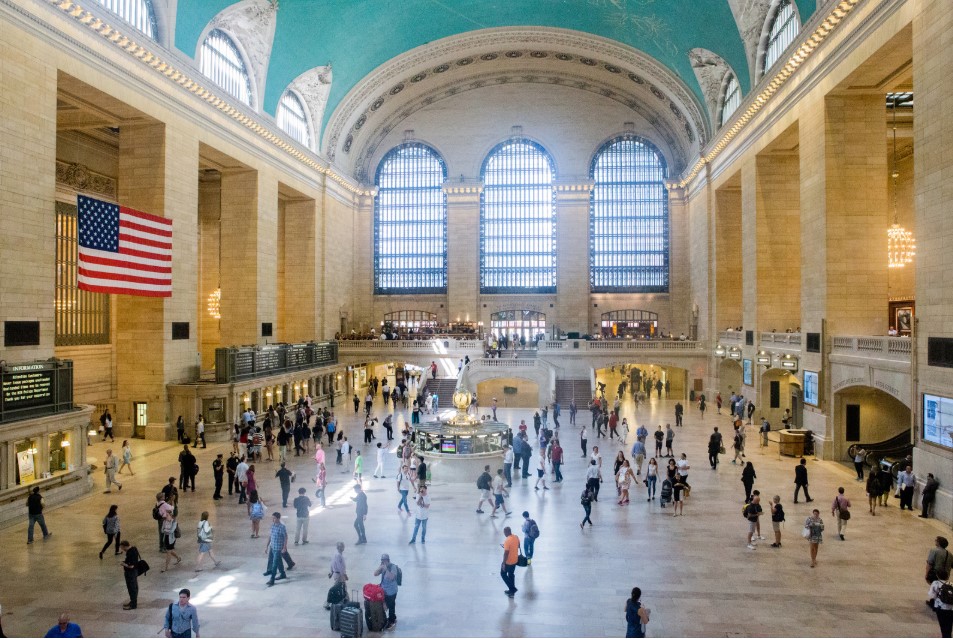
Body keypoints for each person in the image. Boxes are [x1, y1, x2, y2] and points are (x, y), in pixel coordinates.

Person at [374, 554, 400, 630]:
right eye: (382, 561)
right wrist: (379, 568)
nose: (383, 562)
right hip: (383, 590)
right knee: (383, 605)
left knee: (391, 605)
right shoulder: (382, 566)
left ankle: (392, 620)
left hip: (391, 591)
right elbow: (375, 574)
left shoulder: (393, 567)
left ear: (388, 560)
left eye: (384, 560)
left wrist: (386, 569)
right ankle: (389, 617)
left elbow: (392, 577)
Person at [264, 512, 289, 586]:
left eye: (274, 518)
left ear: (278, 518)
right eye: (272, 518)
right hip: (272, 547)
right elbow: (270, 536)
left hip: (278, 548)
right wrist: (267, 546)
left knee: (274, 564)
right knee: (278, 562)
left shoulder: (282, 527)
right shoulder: (272, 526)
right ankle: (283, 574)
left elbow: (285, 537)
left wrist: (284, 547)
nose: (273, 519)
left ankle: (272, 579)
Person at [928, 568, 953, 638]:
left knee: (943, 626)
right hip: (951, 609)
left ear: (937, 576)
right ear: (947, 576)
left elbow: (932, 595)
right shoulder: (951, 584)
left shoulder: (935, 583)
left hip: (940, 608)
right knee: (949, 626)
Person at [119, 540, 139, 610]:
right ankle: (133, 601)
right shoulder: (134, 549)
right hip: (135, 571)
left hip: (130, 573)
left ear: (125, 546)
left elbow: (131, 566)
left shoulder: (130, 553)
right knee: (134, 587)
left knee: (132, 588)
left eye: (122, 547)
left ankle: (133, 605)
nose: (122, 549)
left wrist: (123, 563)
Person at [500, 526, 520, 598]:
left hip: (508, 561)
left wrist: (504, 563)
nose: (504, 534)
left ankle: (512, 589)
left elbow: (506, 553)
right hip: (515, 560)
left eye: (504, 532)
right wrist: (506, 546)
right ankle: (511, 591)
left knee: (503, 574)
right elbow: (518, 546)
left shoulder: (507, 540)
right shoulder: (516, 537)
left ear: (507, 532)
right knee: (511, 574)